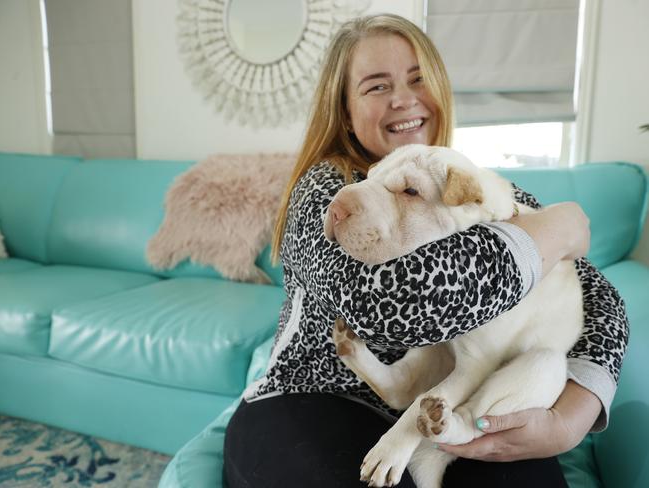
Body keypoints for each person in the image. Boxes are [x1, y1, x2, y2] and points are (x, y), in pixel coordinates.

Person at [224, 13, 628, 487]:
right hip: (313, 397)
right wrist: (554, 230)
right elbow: (383, 304)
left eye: (419, 79)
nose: (403, 98)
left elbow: (603, 306)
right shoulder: (326, 190)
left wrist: (570, 419)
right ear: (346, 112)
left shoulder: (471, 184)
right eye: (376, 86)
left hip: (451, 405)